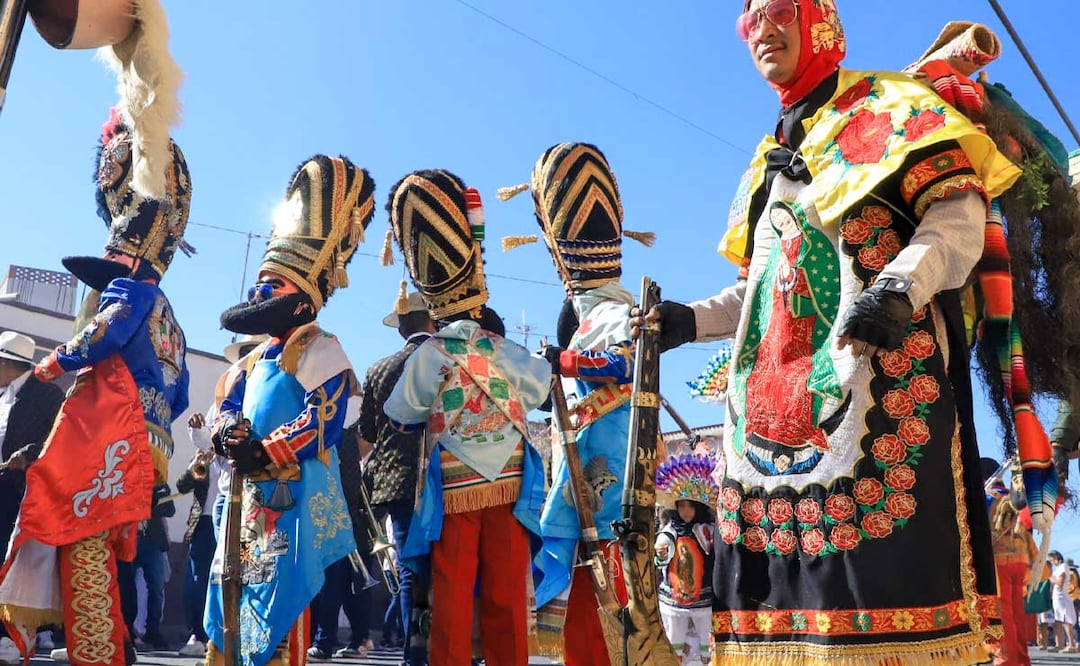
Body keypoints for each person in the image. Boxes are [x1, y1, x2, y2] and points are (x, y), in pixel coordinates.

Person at [633, 1, 1024, 663]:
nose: (762, 29)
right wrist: (688, 321)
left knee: (876, 592)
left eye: (781, 10)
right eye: (749, 21)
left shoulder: (888, 103)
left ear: (822, 21)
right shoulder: (766, 163)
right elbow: (757, 293)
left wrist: (898, 288)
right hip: (760, 428)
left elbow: (957, 213)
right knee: (768, 603)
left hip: (873, 395)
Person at [0, 106, 192, 666]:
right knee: (104, 546)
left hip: (113, 425)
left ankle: (100, 651)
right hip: (147, 438)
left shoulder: (128, 293)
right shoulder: (171, 318)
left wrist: (54, 362)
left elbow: (104, 336)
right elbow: (178, 394)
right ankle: (115, 648)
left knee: (81, 540)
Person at [204, 154, 375, 666]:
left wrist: (266, 448)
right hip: (245, 492)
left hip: (292, 493)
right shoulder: (253, 358)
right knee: (230, 594)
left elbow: (323, 418)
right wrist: (227, 436)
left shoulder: (321, 347)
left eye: (273, 287)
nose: (261, 294)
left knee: (282, 600)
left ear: (303, 297)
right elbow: (224, 408)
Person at [383, 170, 550, 666]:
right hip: (510, 482)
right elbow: (541, 387)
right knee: (504, 589)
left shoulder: (428, 354)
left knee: (452, 590)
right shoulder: (506, 348)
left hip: (454, 487)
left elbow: (401, 412)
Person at [497, 142, 650, 662]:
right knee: (586, 586)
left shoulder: (610, 312)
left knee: (604, 584)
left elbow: (626, 362)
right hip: (583, 459)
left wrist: (565, 363)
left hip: (607, 470)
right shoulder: (589, 314)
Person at [355, 290, 435, 665]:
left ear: (401, 327)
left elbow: (368, 432)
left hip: (395, 481)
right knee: (446, 566)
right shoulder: (445, 358)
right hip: (442, 476)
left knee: (408, 572)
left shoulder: (379, 368)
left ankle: (412, 655)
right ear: (432, 321)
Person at [0, 331, 64, 665]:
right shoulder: (2, 397)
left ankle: (9, 637)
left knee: (11, 565)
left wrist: (28, 454)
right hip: (2, 488)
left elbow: (59, 439)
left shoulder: (48, 395)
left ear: (7, 362)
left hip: (26, 494)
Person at [307, 423, 375, 661]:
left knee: (333, 585)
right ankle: (354, 640)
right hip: (339, 520)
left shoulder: (341, 438)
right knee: (343, 587)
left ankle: (325, 643)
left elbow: (348, 485)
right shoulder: (336, 436)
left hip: (336, 519)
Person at [654, 453, 719, 666]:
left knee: (707, 641)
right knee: (675, 642)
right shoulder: (670, 530)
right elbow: (661, 551)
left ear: (698, 507)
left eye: (690, 506)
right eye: (682, 506)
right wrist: (661, 552)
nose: (686, 511)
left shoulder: (708, 530)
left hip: (704, 598)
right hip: (673, 600)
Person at [174, 418, 218, 658]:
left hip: (234, 523)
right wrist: (198, 466)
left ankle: (221, 634)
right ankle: (197, 634)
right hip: (203, 525)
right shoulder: (203, 456)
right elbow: (182, 486)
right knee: (198, 581)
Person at [988, 486, 1038, 665]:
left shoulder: (989, 499)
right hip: (1021, 562)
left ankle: (1005, 659)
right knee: (1018, 613)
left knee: (1004, 613)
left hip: (1001, 563)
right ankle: (1022, 659)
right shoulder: (1018, 503)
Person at [1049, 551, 1078, 653]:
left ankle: (1071, 645)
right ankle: (1060, 644)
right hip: (1057, 597)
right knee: (1058, 621)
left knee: (1066, 620)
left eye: (1052, 560)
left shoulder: (1063, 566)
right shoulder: (1059, 568)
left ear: (1056, 557)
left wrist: (1052, 579)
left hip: (1061, 597)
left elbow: (1060, 582)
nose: (1052, 562)